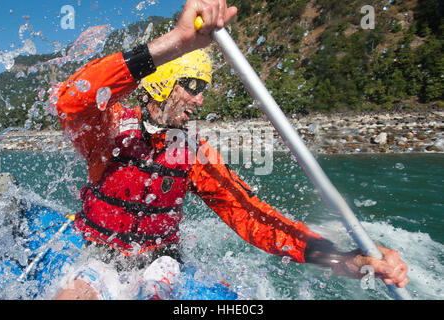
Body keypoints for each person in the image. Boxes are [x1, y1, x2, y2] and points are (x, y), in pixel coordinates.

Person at [53, 0, 408, 300]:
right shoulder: (109, 129)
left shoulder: (190, 152)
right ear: (162, 84)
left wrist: (348, 260)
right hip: (102, 255)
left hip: (160, 260)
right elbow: (71, 100)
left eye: (203, 88)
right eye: (192, 86)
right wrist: (176, 42)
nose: (200, 98)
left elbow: (252, 217)